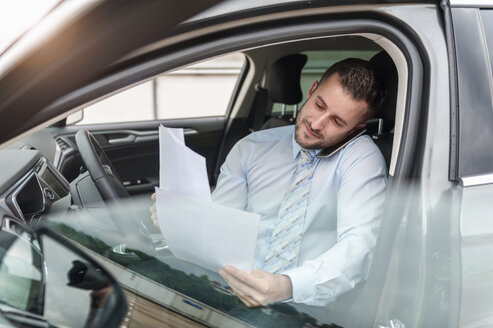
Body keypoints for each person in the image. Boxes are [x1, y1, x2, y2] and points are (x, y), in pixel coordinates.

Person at [152, 58, 388, 309]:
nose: (317, 124)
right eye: (319, 105)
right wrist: (180, 222)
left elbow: (359, 245)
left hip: (299, 304)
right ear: (312, 90)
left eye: (337, 122)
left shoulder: (362, 158)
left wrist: (286, 285)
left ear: (355, 129)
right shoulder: (252, 148)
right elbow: (221, 221)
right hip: (233, 284)